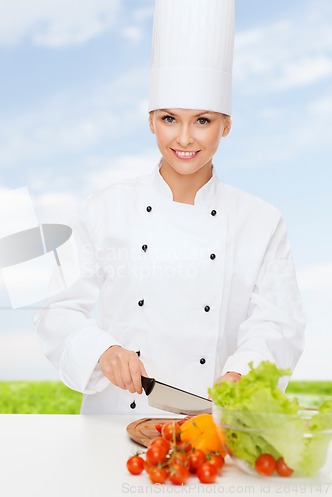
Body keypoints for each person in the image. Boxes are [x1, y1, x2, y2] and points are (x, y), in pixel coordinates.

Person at [34, 0, 305, 415]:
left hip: (212, 424)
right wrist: (102, 351)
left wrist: (244, 373)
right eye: (168, 119)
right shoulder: (105, 208)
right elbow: (59, 311)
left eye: (202, 121)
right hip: (115, 423)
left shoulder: (262, 221)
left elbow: (279, 321)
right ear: (150, 120)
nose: (184, 139)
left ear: (226, 124)